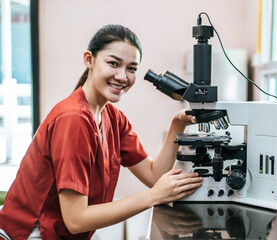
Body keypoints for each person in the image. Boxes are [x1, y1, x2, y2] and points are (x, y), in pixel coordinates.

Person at [0, 24, 203, 240]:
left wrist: (177, 126)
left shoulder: (113, 118)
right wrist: (153, 197)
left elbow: (154, 176)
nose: (122, 76)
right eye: (113, 63)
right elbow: (76, 219)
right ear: (89, 59)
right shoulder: (73, 119)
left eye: (131, 68)